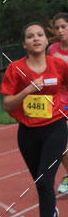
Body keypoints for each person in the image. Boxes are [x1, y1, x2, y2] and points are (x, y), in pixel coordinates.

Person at [0, 21, 68, 217]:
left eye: (40, 34)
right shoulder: (15, 69)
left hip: (55, 128)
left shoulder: (58, 65)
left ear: (47, 40)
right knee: (42, 185)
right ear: (24, 43)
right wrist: (28, 90)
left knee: (44, 180)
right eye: (30, 36)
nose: (36, 38)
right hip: (28, 133)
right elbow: (7, 103)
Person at [48, 12, 68, 195]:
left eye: (64, 26)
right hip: (60, 102)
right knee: (61, 142)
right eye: (57, 27)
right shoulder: (52, 49)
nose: (61, 30)